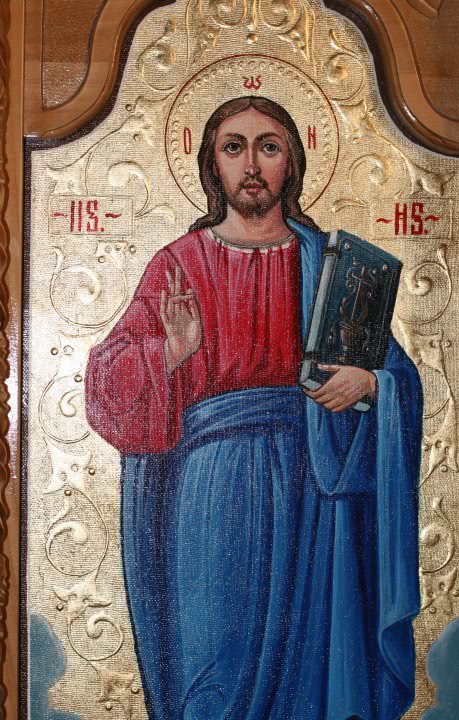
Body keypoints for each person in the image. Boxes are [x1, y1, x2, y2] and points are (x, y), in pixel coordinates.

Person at [85, 96, 423, 720]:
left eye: (268, 147)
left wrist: (370, 384)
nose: (251, 165)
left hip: (315, 485)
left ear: (290, 161)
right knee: (213, 670)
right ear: (212, 165)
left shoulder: (333, 264)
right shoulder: (179, 265)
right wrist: (170, 352)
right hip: (211, 494)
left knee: (309, 672)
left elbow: (396, 374)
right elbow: (106, 383)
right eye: (233, 147)